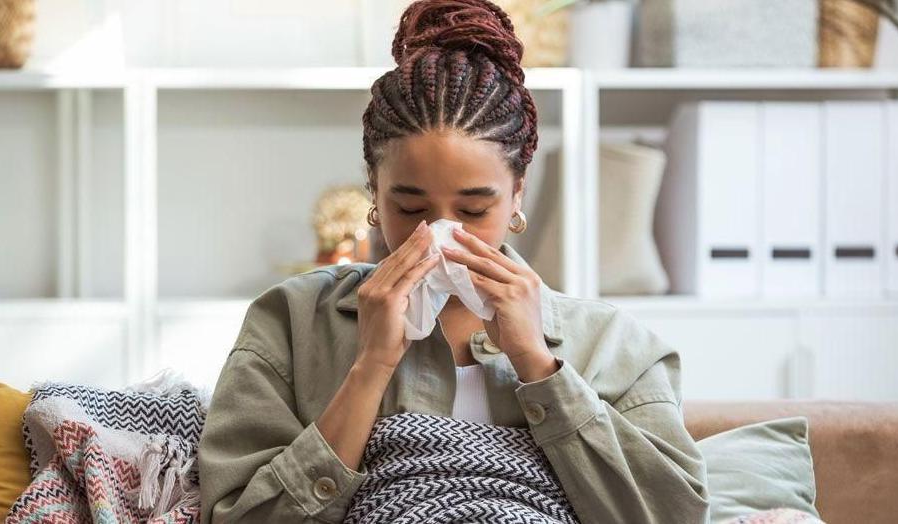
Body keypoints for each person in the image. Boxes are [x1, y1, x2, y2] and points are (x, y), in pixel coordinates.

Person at [198, 1, 709, 522]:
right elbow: (237, 517)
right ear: (374, 192)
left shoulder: (615, 346)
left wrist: (539, 365)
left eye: (473, 209)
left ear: (517, 198)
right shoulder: (289, 323)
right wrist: (370, 366)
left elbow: (675, 515)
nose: (440, 236)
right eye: (411, 208)